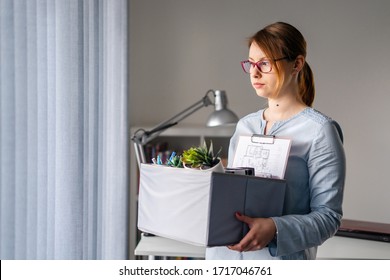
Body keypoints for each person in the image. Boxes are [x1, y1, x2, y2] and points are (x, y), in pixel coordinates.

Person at [206, 22, 346, 260]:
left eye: (265, 63)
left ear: (297, 64)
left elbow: (328, 217)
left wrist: (275, 228)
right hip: (224, 259)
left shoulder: (320, 131)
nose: (254, 72)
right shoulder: (245, 126)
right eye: (251, 63)